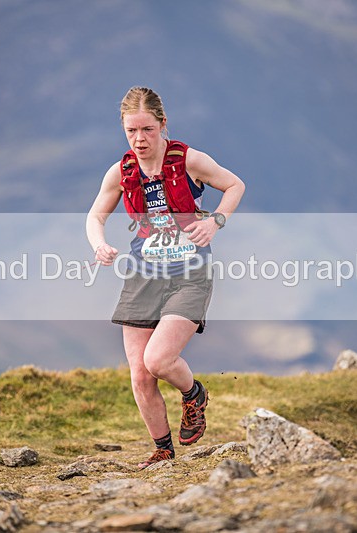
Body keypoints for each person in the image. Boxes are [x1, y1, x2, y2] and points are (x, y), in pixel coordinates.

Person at [86, 86, 245, 469]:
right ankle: (162, 451)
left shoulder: (190, 160)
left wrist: (216, 222)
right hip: (143, 275)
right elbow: (95, 216)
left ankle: (194, 395)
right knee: (141, 375)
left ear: (162, 124)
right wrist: (99, 245)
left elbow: (235, 185)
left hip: (190, 273)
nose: (139, 139)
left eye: (147, 129)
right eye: (131, 131)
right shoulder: (121, 171)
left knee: (158, 359)